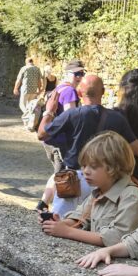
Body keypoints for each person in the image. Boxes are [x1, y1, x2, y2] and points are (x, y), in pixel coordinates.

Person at [37, 74, 138, 217]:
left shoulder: (71, 115)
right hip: (105, 182)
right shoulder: (117, 119)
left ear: (79, 93)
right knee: (95, 223)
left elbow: (42, 134)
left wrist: (49, 111)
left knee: (58, 221)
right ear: (103, 92)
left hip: (72, 180)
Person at [39, 132, 138, 247]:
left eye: (93, 167)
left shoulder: (131, 196)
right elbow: (81, 217)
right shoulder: (99, 191)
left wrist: (67, 231)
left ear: (114, 167)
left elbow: (116, 238)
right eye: (84, 166)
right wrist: (58, 224)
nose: (85, 171)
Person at [34, 61, 84, 211]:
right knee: (62, 175)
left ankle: (43, 203)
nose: (80, 77)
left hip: (51, 138)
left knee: (59, 172)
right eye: (76, 74)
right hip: (60, 141)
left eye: (82, 73)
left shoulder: (59, 88)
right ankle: (57, 209)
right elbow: (71, 117)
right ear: (68, 74)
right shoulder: (70, 91)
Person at [14, 58, 44, 128]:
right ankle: (28, 121)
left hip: (25, 89)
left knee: (22, 104)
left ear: (26, 62)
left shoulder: (24, 68)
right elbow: (39, 80)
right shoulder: (37, 69)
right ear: (32, 62)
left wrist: (15, 88)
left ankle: (28, 116)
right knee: (30, 106)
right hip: (34, 90)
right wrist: (39, 89)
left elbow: (19, 80)